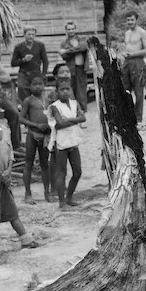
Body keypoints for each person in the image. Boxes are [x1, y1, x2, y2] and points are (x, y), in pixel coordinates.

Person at [0, 97, 39, 257]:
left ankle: (25, 238)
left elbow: (10, 152)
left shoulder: (4, 129)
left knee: (11, 211)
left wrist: (9, 170)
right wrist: (0, 174)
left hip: (5, 178)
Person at [50, 80, 86, 208]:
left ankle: (69, 198)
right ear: (57, 92)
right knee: (61, 172)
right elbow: (59, 123)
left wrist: (70, 120)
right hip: (61, 142)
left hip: (73, 140)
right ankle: (61, 201)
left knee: (77, 171)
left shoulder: (74, 103)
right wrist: (76, 120)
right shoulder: (55, 106)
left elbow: (83, 118)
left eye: (67, 89)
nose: (65, 92)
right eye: (62, 89)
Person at [19, 76, 51, 203]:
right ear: (30, 86)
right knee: (29, 163)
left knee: (45, 164)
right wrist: (36, 125)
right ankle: (28, 194)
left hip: (45, 136)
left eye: (40, 84)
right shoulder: (28, 101)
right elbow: (21, 118)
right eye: (34, 84)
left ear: (44, 85)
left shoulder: (48, 100)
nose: (37, 86)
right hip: (32, 134)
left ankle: (47, 193)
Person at [121, 11, 146, 124]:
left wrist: (133, 54)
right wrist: (124, 54)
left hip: (138, 63)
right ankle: (128, 116)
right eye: (128, 20)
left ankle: (138, 119)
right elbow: (127, 47)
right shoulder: (127, 33)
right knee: (125, 91)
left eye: (132, 20)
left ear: (136, 20)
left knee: (138, 92)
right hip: (127, 63)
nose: (130, 22)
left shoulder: (142, 32)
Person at [11, 27, 49, 102]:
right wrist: (23, 60)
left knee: (37, 91)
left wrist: (43, 74)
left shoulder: (40, 45)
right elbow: (13, 63)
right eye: (29, 34)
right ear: (24, 35)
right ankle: (25, 108)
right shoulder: (19, 47)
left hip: (36, 73)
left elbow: (45, 61)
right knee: (22, 88)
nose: (31, 36)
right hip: (24, 73)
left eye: (33, 34)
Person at [59, 21, 88, 112]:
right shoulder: (64, 43)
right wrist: (75, 50)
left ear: (75, 29)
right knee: (72, 88)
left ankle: (82, 108)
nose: (71, 31)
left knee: (81, 88)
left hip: (81, 67)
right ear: (66, 30)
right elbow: (63, 56)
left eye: (72, 29)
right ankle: (73, 108)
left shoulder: (82, 39)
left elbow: (83, 47)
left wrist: (67, 51)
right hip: (70, 68)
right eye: (69, 29)